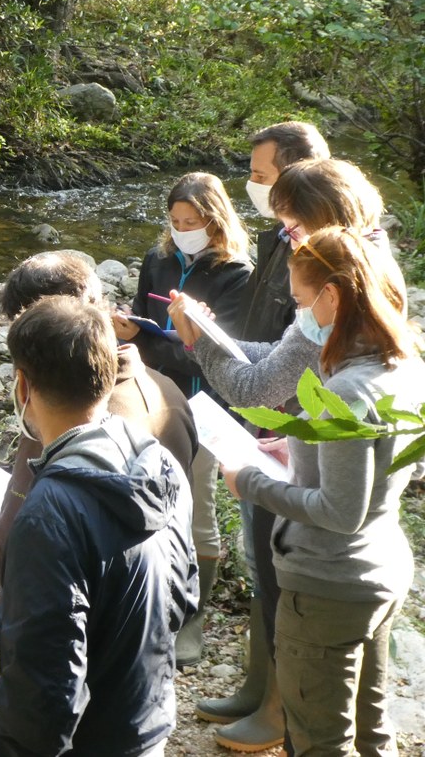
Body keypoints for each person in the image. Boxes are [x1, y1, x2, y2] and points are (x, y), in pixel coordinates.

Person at [223, 227, 425, 757]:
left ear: (331, 296)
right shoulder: (402, 364)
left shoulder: (344, 390)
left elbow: (340, 511)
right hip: (381, 571)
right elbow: (372, 464)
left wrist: (251, 483)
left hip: (330, 584)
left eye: (299, 302)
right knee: (370, 730)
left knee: (319, 741)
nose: (297, 317)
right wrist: (302, 452)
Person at [0, 296, 197, 757]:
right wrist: (18, 606)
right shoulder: (155, 460)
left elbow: (46, 691)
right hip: (144, 721)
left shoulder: (50, 512)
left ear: (23, 386)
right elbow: (182, 593)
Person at [197, 122, 329, 751]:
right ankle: (258, 685)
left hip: (297, 430)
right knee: (260, 559)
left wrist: (203, 349)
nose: (253, 190)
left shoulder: (333, 263)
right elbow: (272, 343)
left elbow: (277, 372)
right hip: (269, 422)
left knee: (281, 568)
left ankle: (279, 711)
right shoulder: (285, 237)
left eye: (261, 176)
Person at [0, 251, 197, 588]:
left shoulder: (58, 419)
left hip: (87, 615)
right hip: (160, 597)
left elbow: (5, 563)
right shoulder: (169, 392)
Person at [113, 171, 252, 667]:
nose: (181, 229)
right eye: (174, 221)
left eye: (191, 221)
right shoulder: (158, 259)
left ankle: (192, 618)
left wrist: (180, 338)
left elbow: (229, 353)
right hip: (156, 393)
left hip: (209, 401)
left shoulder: (237, 273)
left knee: (199, 504)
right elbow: (139, 329)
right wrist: (133, 330)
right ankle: (152, 596)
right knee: (147, 492)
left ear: (214, 220)